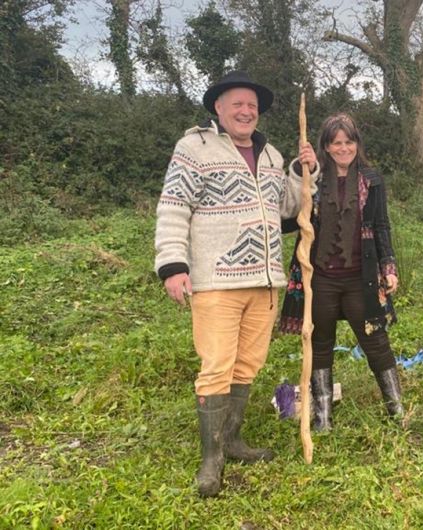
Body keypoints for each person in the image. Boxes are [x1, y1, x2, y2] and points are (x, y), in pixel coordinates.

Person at [154, 70, 318, 498]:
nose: (246, 112)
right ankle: (212, 460)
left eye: (252, 106)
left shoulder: (271, 155)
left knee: (248, 365)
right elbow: (174, 207)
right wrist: (173, 265)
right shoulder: (195, 148)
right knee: (217, 366)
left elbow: (288, 210)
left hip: (264, 282)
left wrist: (305, 172)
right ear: (219, 109)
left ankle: (233, 441)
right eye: (237, 104)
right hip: (216, 281)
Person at [279, 112, 401, 433]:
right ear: (326, 147)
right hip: (320, 278)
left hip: (361, 276)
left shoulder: (371, 179)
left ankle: (398, 410)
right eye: (336, 143)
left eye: (349, 142)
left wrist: (389, 266)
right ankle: (322, 419)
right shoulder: (313, 179)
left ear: (357, 144)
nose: (344, 148)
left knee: (375, 340)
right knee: (320, 342)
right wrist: (299, 171)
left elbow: (382, 225)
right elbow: (288, 221)